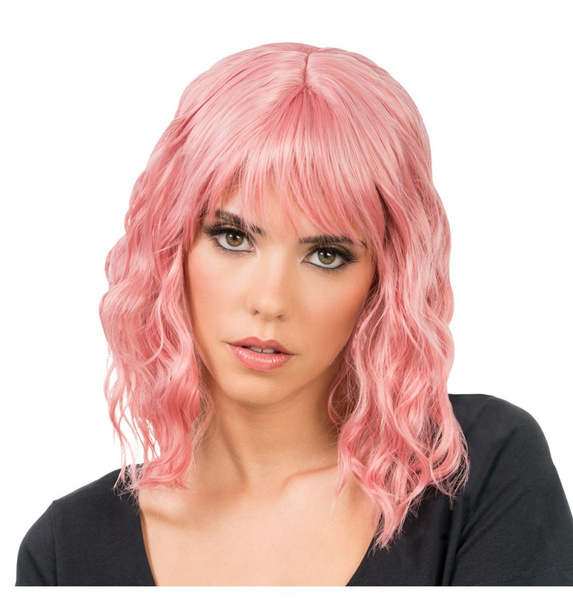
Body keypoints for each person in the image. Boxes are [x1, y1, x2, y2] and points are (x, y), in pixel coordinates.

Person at [16, 42, 573, 586]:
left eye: (326, 255)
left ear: (383, 279)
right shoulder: (67, 552)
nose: (271, 300)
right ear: (170, 250)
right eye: (232, 237)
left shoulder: (477, 471)